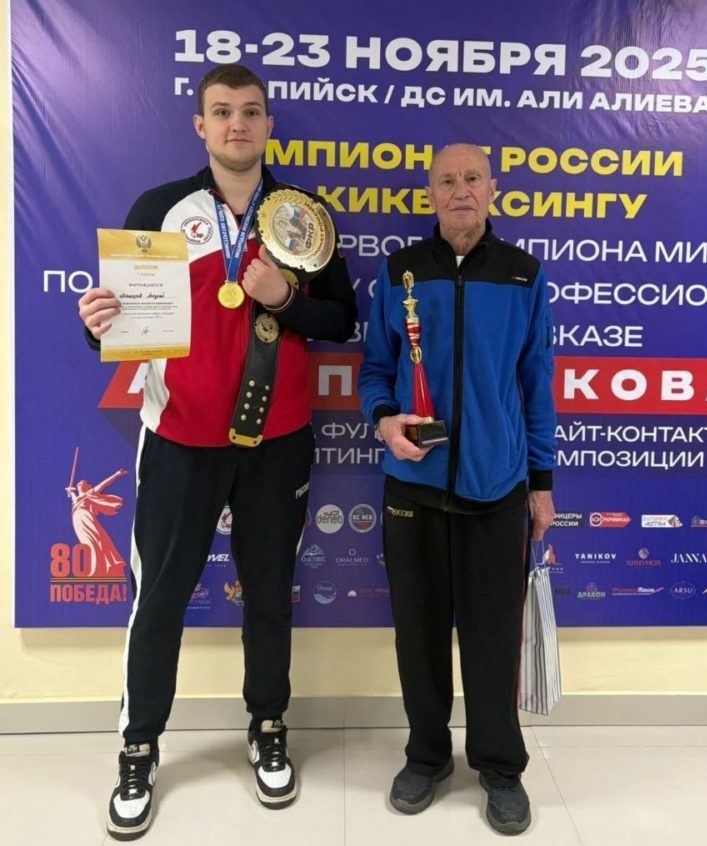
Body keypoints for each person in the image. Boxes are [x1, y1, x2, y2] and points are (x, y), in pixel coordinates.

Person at [78, 64, 356, 841]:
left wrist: (283, 298)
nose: (239, 124)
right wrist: (95, 324)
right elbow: (123, 322)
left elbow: (341, 320)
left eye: (252, 111)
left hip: (277, 443)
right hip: (178, 441)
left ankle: (268, 727)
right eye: (223, 111)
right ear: (200, 125)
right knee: (159, 599)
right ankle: (139, 748)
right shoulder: (160, 209)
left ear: (269, 125)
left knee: (268, 596)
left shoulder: (304, 218)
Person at [358, 143, 556, 836]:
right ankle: (427, 756)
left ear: (493, 188)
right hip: (411, 487)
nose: (461, 189)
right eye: (447, 180)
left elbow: (537, 384)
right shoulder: (400, 272)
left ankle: (500, 767)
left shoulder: (524, 275)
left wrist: (541, 482)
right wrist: (384, 420)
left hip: (496, 488)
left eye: (473, 178)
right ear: (431, 193)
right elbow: (375, 370)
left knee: (493, 640)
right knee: (417, 638)